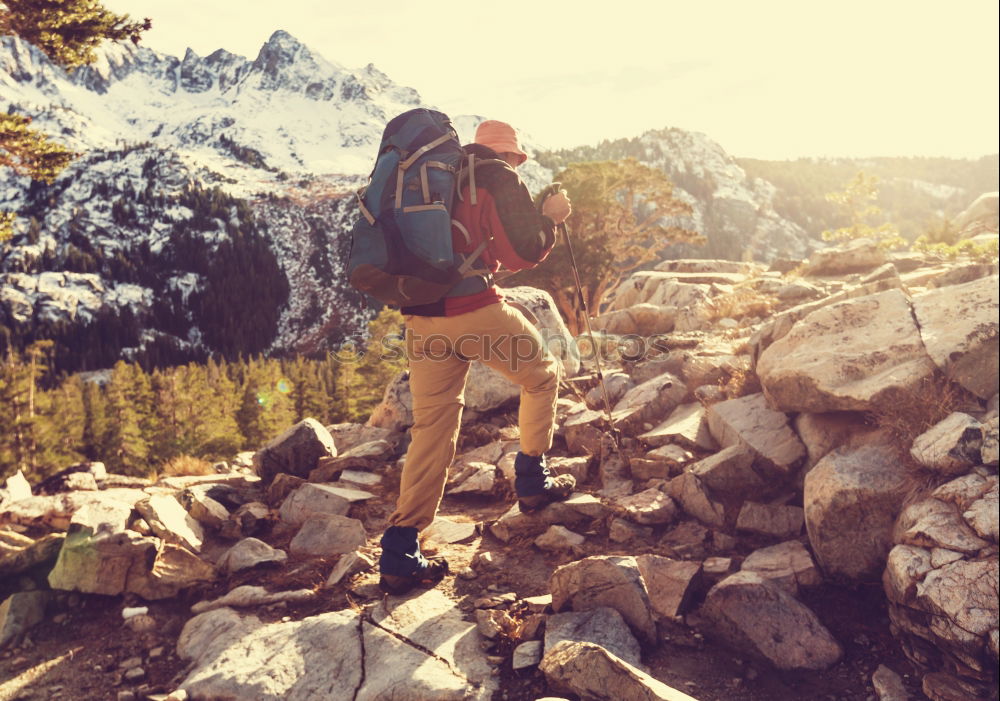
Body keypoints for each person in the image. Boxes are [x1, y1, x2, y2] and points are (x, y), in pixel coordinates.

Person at [378, 119, 575, 595]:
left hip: (422, 319)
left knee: (433, 424)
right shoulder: (496, 176)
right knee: (543, 374)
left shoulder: (430, 176)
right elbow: (523, 252)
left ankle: (401, 547)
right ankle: (531, 477)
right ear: (511, 154)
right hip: (474, 310)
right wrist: (550, 219)